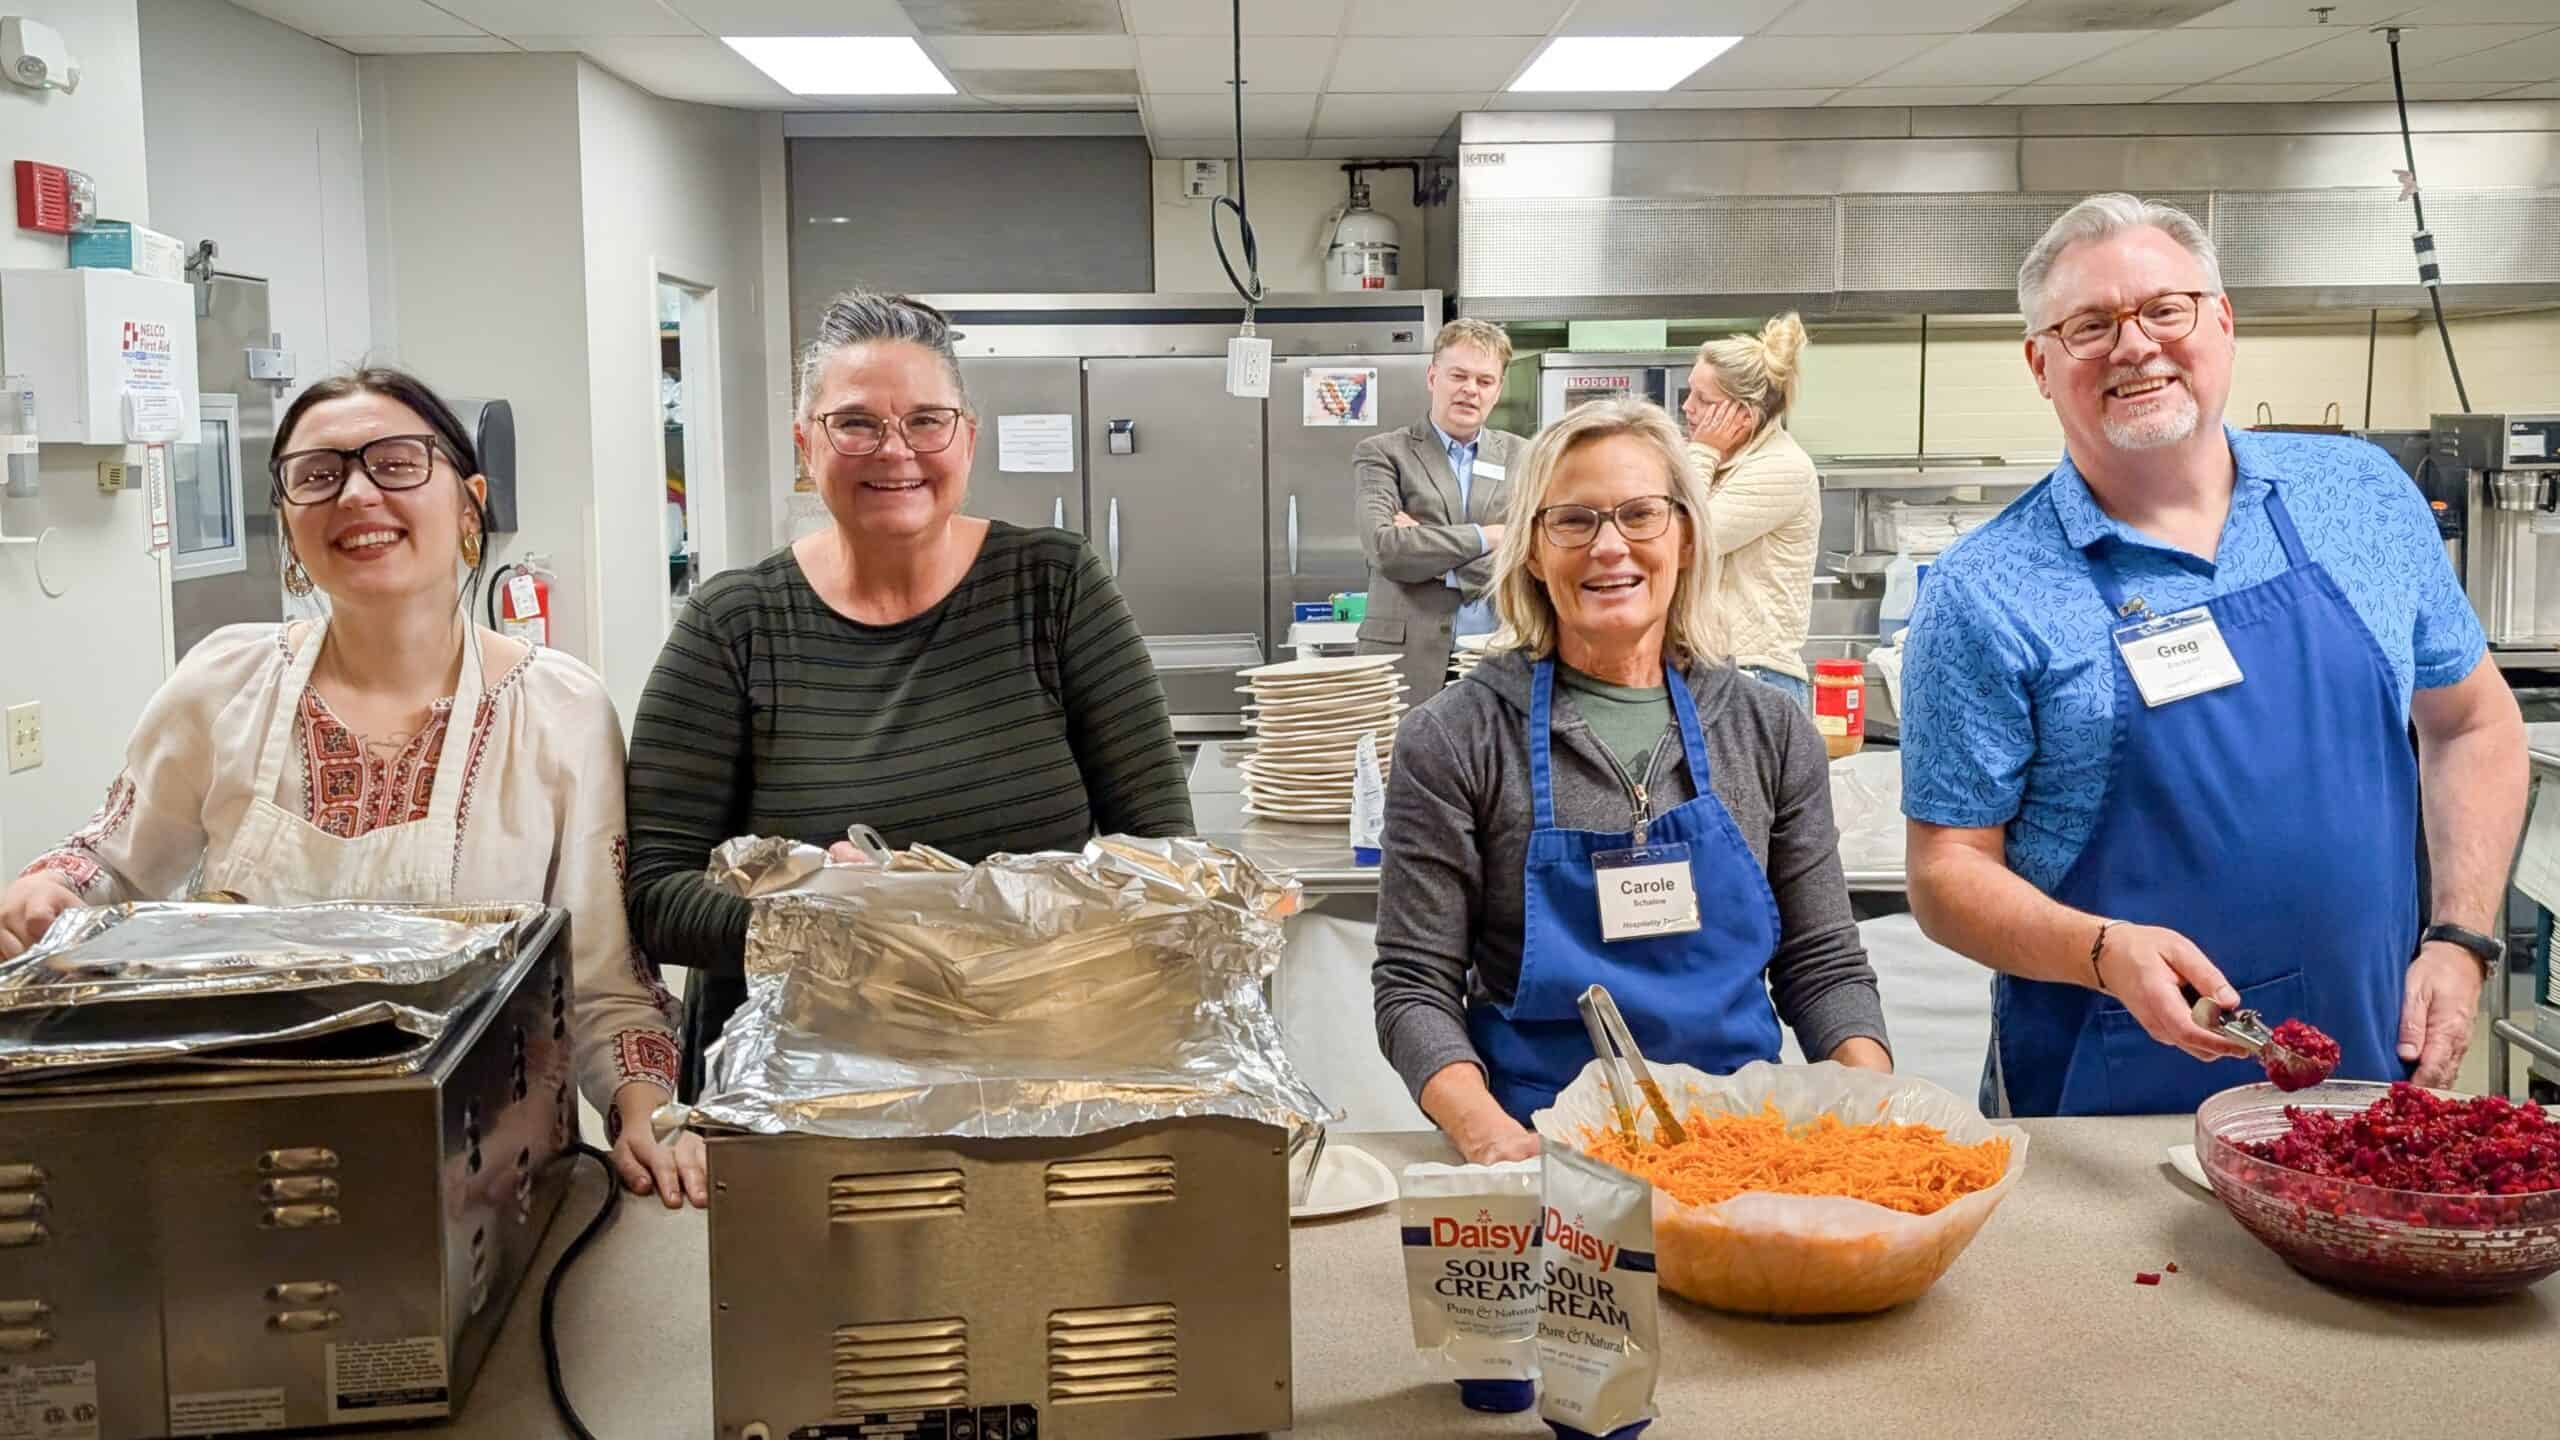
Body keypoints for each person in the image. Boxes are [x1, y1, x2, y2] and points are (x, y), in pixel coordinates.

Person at [0, 368, 701, 1205]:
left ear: (470, 503)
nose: (358, 495)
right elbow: (111, 867)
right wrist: (44, 894)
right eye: (318, 475)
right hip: (237, 1157)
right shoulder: (224, 683)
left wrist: (646, 1113)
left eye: (398, 463)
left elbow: (605, 980)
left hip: (490, 1173)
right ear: (288, 522)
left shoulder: (559, 710)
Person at [1899, 193, 2527, 1118]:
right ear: (2040, 363)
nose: (2135, 345)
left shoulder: (2359, 497)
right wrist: (2102, 952)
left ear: (2223, 322)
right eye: (2090, 325)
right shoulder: (1985, 587)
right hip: (2108, 1097)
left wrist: (2460, 938)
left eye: (2166, 309)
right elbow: (1946, 871)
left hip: (2364, 1074)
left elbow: (2472, 721)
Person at [623, 290, 1194, 1100]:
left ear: (967, 437)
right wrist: (826, 922)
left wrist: (952, 915)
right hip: (797, 1084)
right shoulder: (734, 624)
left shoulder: (1054, 587)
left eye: (926, 420)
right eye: (855, 423)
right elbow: (655, 894)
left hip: (1031, 1068)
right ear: (804, 444)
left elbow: (1162, 857)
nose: (896, 451)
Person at [1372, 397, 1891, 1164]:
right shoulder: (1456, 738)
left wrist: (1867, 1105)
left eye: (1640, 515)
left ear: (1685, 536)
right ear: (1532, 553)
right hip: (1539, 1146)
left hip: (1749, 1149)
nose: (1609, 546)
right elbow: (1415, 986)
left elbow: (1822, 964)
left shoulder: (1771, 731)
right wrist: (1491, 1138)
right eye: (1573, 520)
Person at [1355, 319, 1528, 699]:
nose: (1470, 390)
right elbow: (1387, 549)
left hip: (1497, 659)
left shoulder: (1524, 457)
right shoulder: (1384, 453)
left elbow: (1534, 555)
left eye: (1484, 381)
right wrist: (1491, 536)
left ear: (1497, 390)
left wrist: (1429, 550)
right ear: (1433, 377)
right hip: (1404, 662)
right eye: (1458, 376)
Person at [1680, 314, 1821, 709]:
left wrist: (1703, 449)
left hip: (1756, 678)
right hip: (1713, 669)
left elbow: (1685, 540)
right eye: (1691, 393)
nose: (1687, 407)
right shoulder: (1724, 461)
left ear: (1744, 414)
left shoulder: (1782, 467)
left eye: (1704, 400)